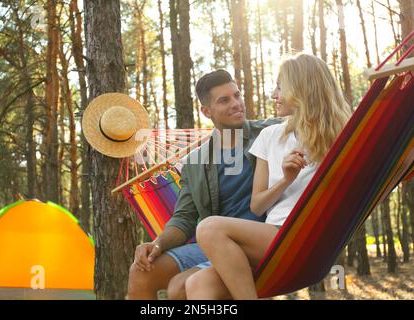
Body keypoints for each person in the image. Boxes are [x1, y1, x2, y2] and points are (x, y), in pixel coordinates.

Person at [186, 53, 352, 300]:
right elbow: (257, 204)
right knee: (198, 284)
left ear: (300, 89)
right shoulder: (270, 136)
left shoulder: (343, 134)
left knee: (209, 228)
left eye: (279, 87)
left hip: (307, 236)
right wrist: (287, 179)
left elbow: (391, 156)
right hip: (273, 238)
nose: (273, 94)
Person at [127, 70, 281, 299]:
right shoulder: (196, 162)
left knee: (179, 289)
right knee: (141, 272)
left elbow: (314, 121)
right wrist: (158, 243)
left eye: (237, 96)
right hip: (214, 243)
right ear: (206, 111)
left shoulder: (271, 133)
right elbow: (184, 218)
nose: (236, 104)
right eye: (224, 100)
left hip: (258, 242)